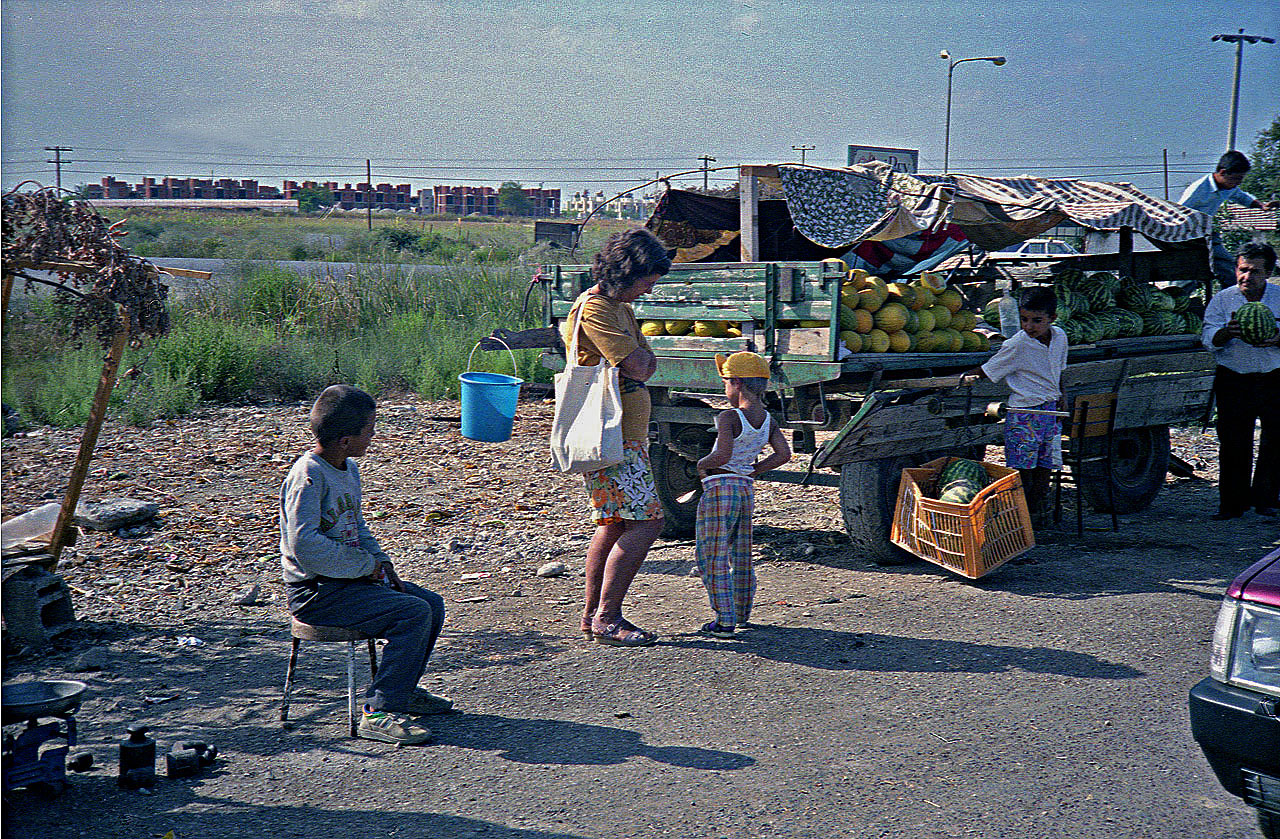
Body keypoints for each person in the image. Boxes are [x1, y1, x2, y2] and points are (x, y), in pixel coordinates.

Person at [280, 385, 451, 745]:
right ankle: (380, 712)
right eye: (369, 429)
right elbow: (306, 545)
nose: (373, 435)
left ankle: (400, 691)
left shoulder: (348, 468)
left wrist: (383, 564)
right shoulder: (307, 476)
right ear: (345, 439)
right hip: (317, 593)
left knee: (431, 604)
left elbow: (356, 527)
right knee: (413, 614)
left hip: (349, 582)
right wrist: (364, 567)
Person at [562, 228, 671, 647]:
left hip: (624, 436)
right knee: (647, 522)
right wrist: (639, 361)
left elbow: (643, 363)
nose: (649, 289)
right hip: (613, 437)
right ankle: (607, 617)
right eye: (646, 281)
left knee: (614, 524)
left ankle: (594, 616)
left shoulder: (618, 308)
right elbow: (640, 366)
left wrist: (640, 361)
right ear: (627, 272)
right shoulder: (598, 309)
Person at [693, 352, 792, 638]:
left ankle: (724, 620)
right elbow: (784, 455)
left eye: (725, 382)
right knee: (741, 552)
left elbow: (721, 454)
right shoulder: (767, 419)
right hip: (744, 489)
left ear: (736, 383)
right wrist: (753, 470)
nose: (725, 388)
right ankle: (742, 611)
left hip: (719, 488)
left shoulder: (729, 416)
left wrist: (701, 465)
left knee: (712, 555)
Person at [962, 286, 1068, 527]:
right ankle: (1020, 520)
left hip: (1051, 411)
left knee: (1046, 465)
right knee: (1022, 469)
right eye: (1024, 319)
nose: (1029, 326)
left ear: (1052, 318)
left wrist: (1063, 394)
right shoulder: (1017, 344)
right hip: (1024, 415)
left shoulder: (1060, 336)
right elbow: (989, 369)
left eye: (1037, 321)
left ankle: (1035, 512)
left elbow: (1061, 370)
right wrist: (963, 377)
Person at [1201, 242, 1280, 520]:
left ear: (1268, 272)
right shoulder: (1223, 300)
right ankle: (1232, 505)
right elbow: (1209, 339)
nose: (1247, 277)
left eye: (1255, 271)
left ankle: (1266, 499)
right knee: (1234, 442)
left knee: (1276, 440)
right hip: (1234, 378)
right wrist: (1227, 333)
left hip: (1274, 377)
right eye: (1242, 270)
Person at [1178, 150, 1279, 289]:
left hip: (1207, 234)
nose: (1237, 184)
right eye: (1235, 179)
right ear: (1222, 172)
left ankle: (1233, 299)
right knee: (1189, 274)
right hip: (1189, 236)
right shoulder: (1198, 190)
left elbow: (1241, 196)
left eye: (1240, 180)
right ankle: (1181, 303)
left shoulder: (1228, 186)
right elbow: (1179, 213)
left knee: (1228, 269)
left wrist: (1261, 205)